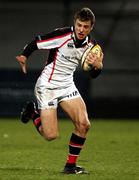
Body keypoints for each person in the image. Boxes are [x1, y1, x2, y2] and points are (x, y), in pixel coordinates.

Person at [16, 7, 103, 174]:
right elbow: (37, 42)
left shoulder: (93, 47)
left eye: (85, 26)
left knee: (84, 124)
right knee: (50, 135)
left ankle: (70, 166)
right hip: (47, 86)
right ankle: (32, 112)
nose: (81, 29)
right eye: (79, 25)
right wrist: (24, 56)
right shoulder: (62, 35)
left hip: (67, 85)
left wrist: (98, 66)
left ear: (91, 27)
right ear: (75, 23)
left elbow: (94, 74)